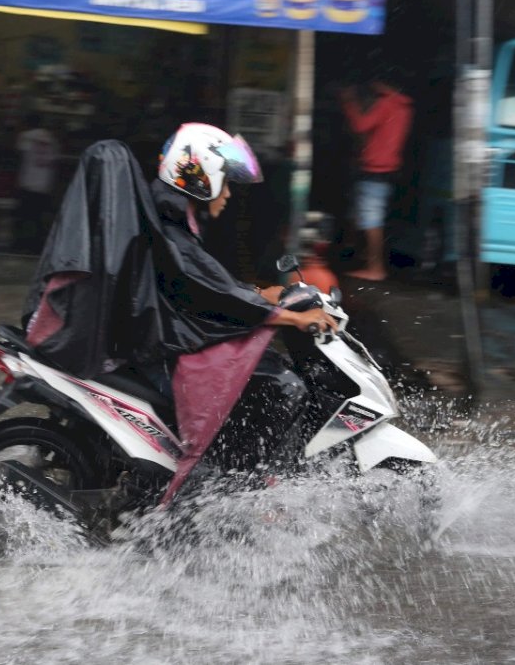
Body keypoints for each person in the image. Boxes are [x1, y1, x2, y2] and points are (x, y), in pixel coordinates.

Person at [23, 123, 336, 502]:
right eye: (226, 182)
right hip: (157, 349)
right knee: (277, 385)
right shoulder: (168, 220)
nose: (229, 193)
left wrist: (259, 294)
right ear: (204, 177)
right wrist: (289, 316)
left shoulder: (171, 213)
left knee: (264, 373)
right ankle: (225, 491)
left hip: (154, 339)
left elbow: (202, 285)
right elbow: (203, 291)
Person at [339, 72, 414, 281]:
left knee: (371, 220)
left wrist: (349, 102)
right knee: (365, 216)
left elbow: (360, 125)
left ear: (381, 83)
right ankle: (364, 258)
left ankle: (375, 268)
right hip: (387, 168)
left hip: (375, 168)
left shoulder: (386, 103)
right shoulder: (404, 106)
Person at [14, 113, 60, 252]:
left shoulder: (26, 136)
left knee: (23, 220)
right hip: (44, 186)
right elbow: (55, 163)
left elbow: (17, 154)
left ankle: (20, 248)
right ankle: (35, 249)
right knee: (38, 221)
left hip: (28, 184)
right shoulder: (52, 139)